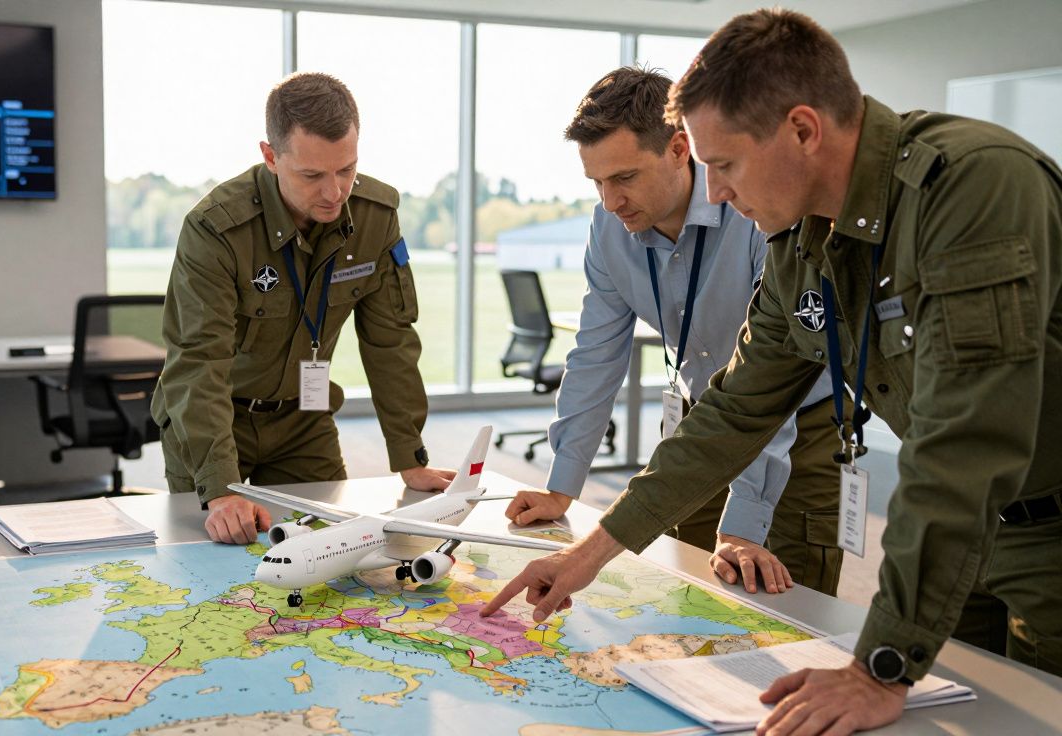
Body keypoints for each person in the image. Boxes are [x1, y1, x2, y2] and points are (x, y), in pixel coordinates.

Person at [483, 9, 1062, 735]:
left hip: (1044, 533)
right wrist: (592, 553)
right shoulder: (799, 241)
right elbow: (736, 410)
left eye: (723, 164)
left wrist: (875, 665)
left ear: (802, 130)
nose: (715, 194)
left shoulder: (973, 187)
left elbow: (963, 446)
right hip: (962, 540)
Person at [503, 66, 841, 595]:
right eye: (597, 182)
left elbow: (774, 377)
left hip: (798, 422)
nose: (610, 201)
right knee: (685, 589)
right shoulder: (608, 227)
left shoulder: (756, 213)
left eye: (625, 177)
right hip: (703, 424)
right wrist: (560, 489)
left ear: (681, 149)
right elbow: (596, 355)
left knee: (775, 600)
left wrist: (744, 525)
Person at [150, 72, 454, 545]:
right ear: (271, 156)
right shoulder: (216, 229)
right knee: (206, 568)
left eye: (346, 170)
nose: (334, 192)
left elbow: (389, 342)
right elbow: (198, 360)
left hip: (303, 417)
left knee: (329, 551)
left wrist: (408, 455)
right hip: (213, 420)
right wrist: (219, 489)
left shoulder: (376, 217)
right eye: (312, 175)